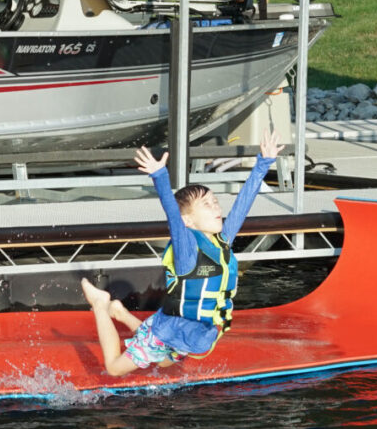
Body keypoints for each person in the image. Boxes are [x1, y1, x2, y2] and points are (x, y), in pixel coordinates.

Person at [81, 134, 281, 377]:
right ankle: (102, 305)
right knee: (114, 369)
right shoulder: (186, 250)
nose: (217, 208)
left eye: (215, 202)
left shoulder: (221, 241)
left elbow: (242, 206)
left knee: (165, 363)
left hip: (193, 334)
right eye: (207, 205)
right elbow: (173, 216)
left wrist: (263, 163)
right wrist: (160, 176)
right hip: (171, 330)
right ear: (189, 220)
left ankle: (121, 313)